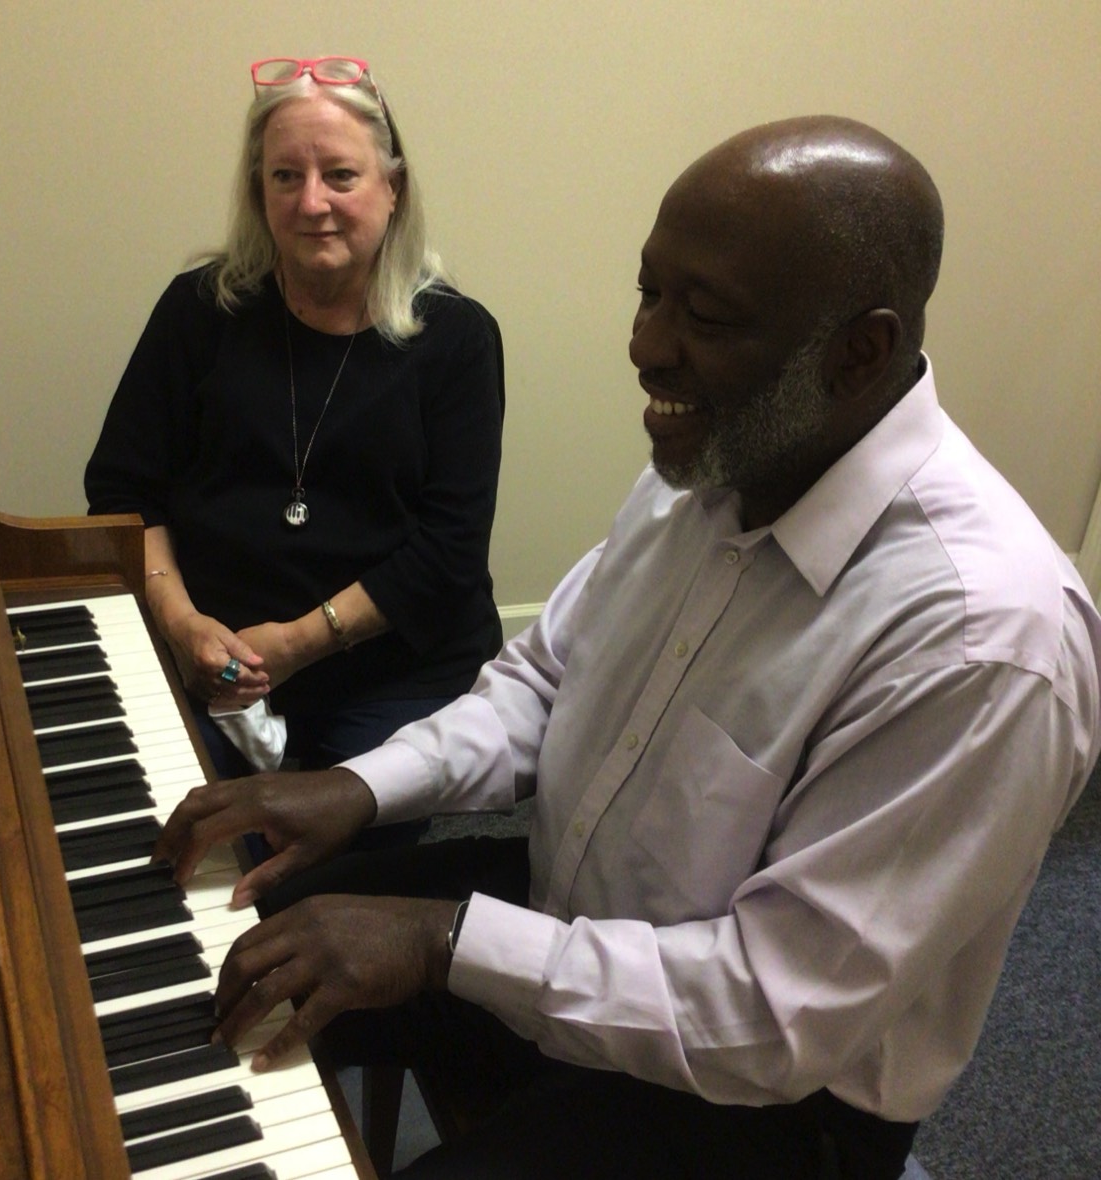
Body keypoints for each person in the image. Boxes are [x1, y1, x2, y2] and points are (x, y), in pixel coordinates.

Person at [152, 116, 1101, 1179]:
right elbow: (545, 680)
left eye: (705, 315)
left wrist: (437, 940)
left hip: (765, 1098)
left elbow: (772, 1011)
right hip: (574, 915)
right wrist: (361, 787)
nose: (647, 346)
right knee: (203, 945)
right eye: (649, 292)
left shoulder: (983, 640)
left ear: (859, 353)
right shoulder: (718, 462)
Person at [85, 56, 504, 793]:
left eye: (340, 175)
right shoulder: (197, 311)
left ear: (394, 188)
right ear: (259, 191)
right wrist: (182, 626)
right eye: (286, 176)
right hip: (211, 652)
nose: (312, 203)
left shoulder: (458, 338)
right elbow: (124, 493)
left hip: (395, 666)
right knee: (175, 821)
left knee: (341, 846)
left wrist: (294, 644)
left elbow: (449, 553)